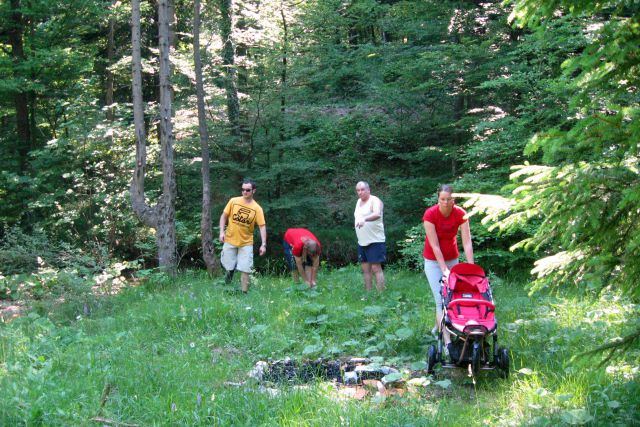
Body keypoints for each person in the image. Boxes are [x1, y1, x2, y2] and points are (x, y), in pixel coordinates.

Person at [423, 184, 474, 356]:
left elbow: (466, 241)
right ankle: (447, 343)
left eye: (449, 199)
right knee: (441, 300)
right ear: (438, 199)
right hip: (433, 261)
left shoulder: (460, 213)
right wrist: (444, 269)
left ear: (454, 200)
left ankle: (440, 326)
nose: (445, 203)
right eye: (442, 199)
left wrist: (470, 266)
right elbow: (434, 245)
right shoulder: (430, 214)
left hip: (453, 258)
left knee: (455, 296)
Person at [219, 179, 267, 293]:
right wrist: (221, 232)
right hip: (230, 239)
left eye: (247, 190)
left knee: (246, 268)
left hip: (246, 242)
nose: (244, 192)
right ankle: (227, 286)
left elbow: (262, 226)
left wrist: (263, 244)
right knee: (228, 266)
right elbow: (224, 216)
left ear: (253, 191)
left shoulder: (257, 208)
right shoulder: (233, 201)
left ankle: (244, 293)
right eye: (243, 189)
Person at [354, 181, 386, 292]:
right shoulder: (358, 202)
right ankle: (368, 293)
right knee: (365, 269)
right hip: (362, 241)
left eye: (362, 189)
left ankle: (380, 294)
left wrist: (365, 219)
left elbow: (377, 214)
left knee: (376, 268)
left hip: (375, 240)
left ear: (368, 190)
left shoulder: (375, 200)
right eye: (358, 190)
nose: (360, 192)